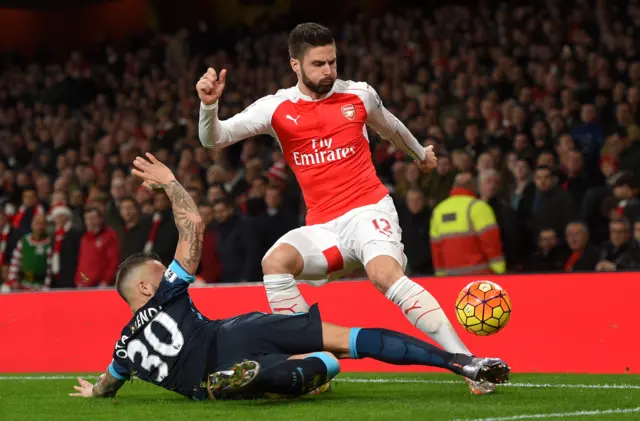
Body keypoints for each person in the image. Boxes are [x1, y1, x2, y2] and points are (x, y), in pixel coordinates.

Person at [196, 22, 496, 395]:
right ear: (295, 65)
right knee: (274, 263)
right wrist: (209, 106)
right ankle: (307, 364)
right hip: (324, 227)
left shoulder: (358, 96)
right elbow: (215, 139)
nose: (328, 71)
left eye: (333, 62)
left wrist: (421, 155)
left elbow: (392, 127)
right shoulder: (276, 109)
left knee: (384, 275)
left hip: (369, 209)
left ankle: (471, 366)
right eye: (319, 64)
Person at [69, 154, 509, 401]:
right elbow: (193, 226)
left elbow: (109, 383)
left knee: (308, 373)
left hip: (201, 384)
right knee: (344, 346)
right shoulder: (166, 294)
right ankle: (461, 363)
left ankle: (259, 379)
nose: (167, 272)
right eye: (159, 272)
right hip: (231, 337)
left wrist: (95, 392)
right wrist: (169, 183)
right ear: (146, 287)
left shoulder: (124, 346)